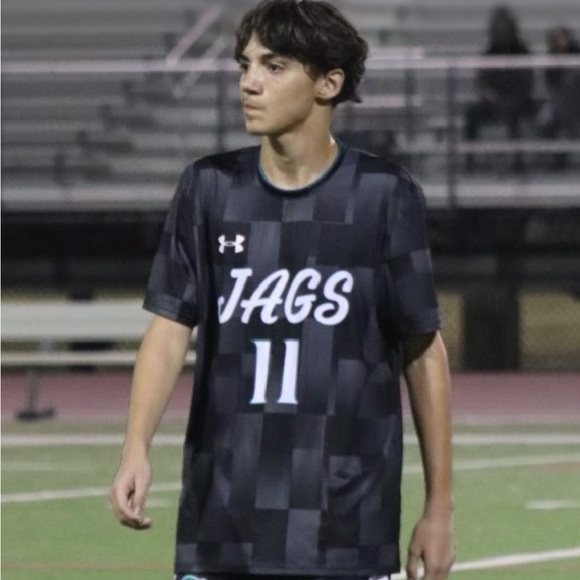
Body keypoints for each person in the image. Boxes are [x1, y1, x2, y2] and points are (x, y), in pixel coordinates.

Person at [110, 2, 455, 580]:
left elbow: (423, 350)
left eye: (274, 66)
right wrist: (135, 447)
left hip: (347, 525)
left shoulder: (384, 196)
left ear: (328, 83)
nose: (249, 82)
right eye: (245, 65)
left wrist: (439, 507)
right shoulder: (208, 189)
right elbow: (170, 327)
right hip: (222, 520)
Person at [464, 5, 535, 170]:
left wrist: (512, 100)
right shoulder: (488, 54)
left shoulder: (523, 53)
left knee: (517, 115)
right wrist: (491, 97)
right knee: (471, 114)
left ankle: (519, 161)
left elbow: (527, 83)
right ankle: (470, 160)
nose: (502, 33)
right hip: (493, 104)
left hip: (518, 102)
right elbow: (482, 82)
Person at [537, 26, 580, 167]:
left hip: (576, 102)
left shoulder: (576, 56)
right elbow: (552, 88)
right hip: (558, 103)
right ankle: (556, 159)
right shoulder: (551, 59)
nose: (560, 42)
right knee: (545, 119)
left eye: (562, 38)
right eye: (556, 39)